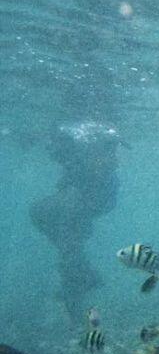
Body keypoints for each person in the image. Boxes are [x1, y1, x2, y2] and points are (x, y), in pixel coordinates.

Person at [29, 120, 122, 322]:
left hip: (96, 201)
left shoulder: (98, 151)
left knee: (63, 232)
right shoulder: (78, 153)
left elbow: (106, 166)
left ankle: (77, 280)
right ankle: (79, 275)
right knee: (59, 231)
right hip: (86, 203)